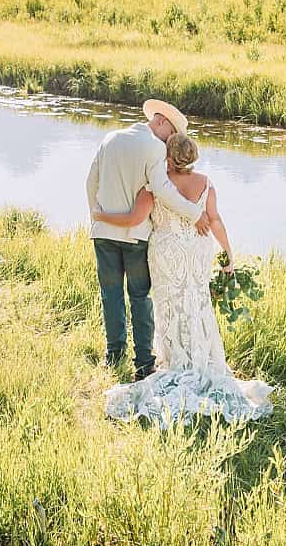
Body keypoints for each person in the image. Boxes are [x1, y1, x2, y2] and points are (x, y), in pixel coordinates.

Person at [93, 129, 272, 425]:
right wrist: (228, 254)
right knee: (196, 301)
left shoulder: (155, 186)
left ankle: (176, 361)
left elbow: (136, 219)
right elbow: (215, 220)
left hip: (167, 254)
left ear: (167, 156)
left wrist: (100, 216)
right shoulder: (206, 184)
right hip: (198, 251)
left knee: (170, 305)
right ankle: (201, 360)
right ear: (192, 156)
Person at [85, 99, 209, 380]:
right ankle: (143, 364)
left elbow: (90, 183)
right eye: (172, 134)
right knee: (140, 297)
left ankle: (113, 355)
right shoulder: (153, 147)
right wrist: (195, 213)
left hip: (104, 234)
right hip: (136, 237)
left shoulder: (110, 138)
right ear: (161, 121)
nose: (171, 142)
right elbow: (163, 191)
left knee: (111, 295)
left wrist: (98, 216)